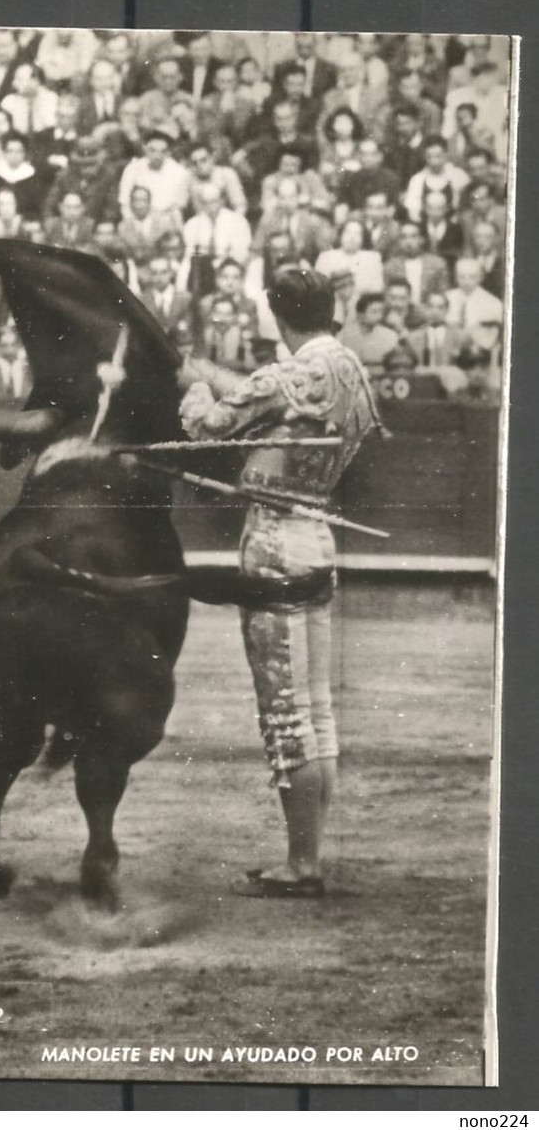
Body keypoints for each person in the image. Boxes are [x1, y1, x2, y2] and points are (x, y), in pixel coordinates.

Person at [179, 268, 383, 897]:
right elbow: (272, 391)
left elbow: (208, 427)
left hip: (272, 540)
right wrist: (212, 369)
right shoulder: (348, 369)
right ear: (331, 311)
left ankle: (302, 866)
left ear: (277, 317)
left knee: (286, 715)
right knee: (315, 710)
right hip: (317, 532)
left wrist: (193, 389)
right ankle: (309, 855)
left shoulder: (284, 376)